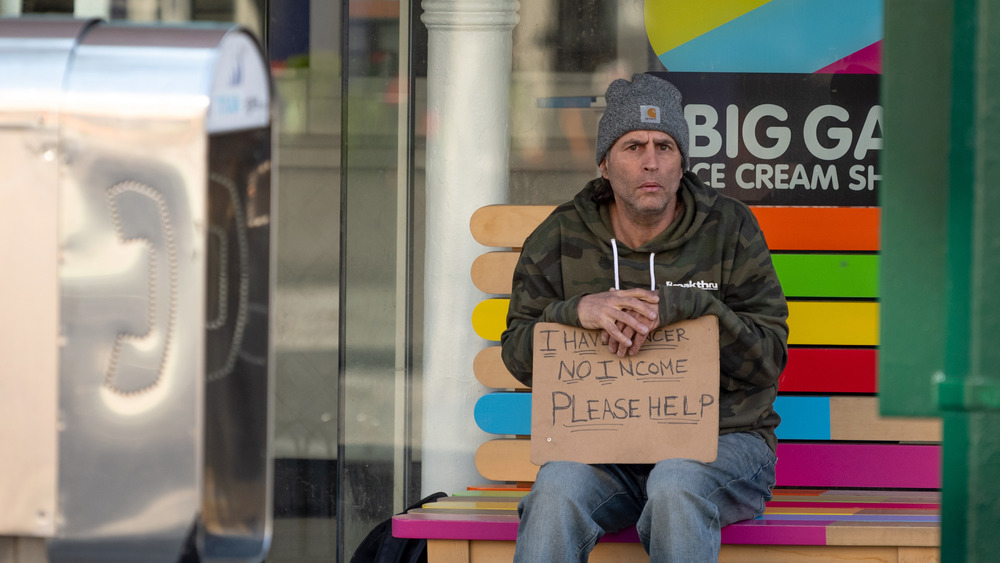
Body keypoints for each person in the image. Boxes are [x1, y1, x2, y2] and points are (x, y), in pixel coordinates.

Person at [500, 72, 789, 562]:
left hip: (721, 447)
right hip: (603, 455)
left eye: (665, 146)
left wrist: (699, 308)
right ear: (605, 164)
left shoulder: (729, 228)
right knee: (553, 490)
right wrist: (575, 312)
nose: (650, 161)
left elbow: (769, 360)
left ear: (682, 164)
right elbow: (517, 353)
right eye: (632, 146)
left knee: (675, 484)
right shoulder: (561, 236)